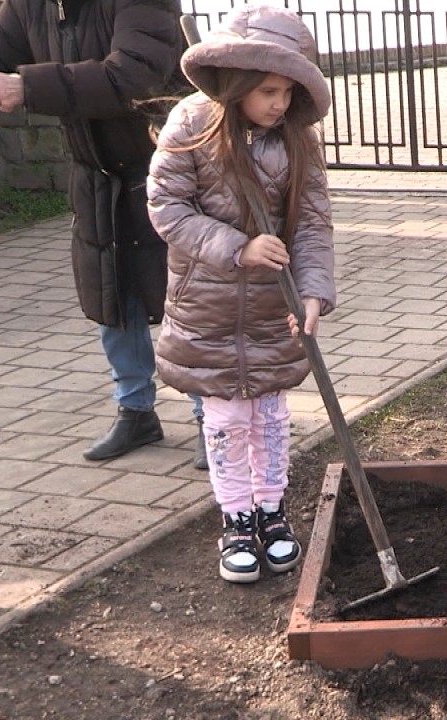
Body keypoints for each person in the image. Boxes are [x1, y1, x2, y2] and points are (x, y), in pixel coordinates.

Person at [0, 0, 208, 468]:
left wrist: (27, 86)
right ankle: (136, 410)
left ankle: (210, 417)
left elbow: (132, 76)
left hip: (167, 169)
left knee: (186, 300)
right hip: (96, 174)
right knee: (111, 297)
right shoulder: (31, 6)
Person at [146, 4, 335, 583]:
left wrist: (312, 294)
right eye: (267, 91)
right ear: (237, 82)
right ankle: (236, 518)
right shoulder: (191, 124)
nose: (279, 103)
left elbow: (312, 225)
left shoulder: (298, 141)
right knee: (227, 419)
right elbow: (166, 206)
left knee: (271, 416)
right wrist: (238, 246)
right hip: (208, 306)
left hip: (274, 308)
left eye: (288, 91)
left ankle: (272, 510)